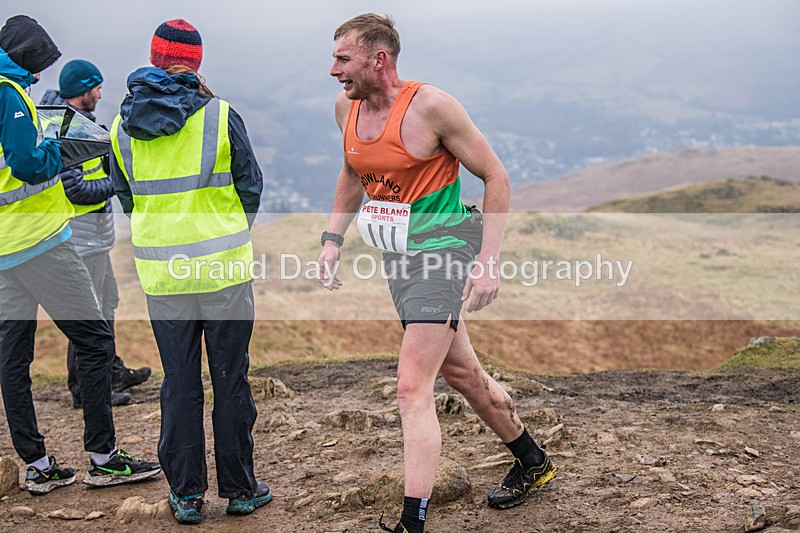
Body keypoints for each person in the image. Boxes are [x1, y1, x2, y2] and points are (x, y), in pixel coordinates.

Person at [318, 14, 556, 532]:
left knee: (411, 388)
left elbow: (496, 176)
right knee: (463, 374)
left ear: (377, 58)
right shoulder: (346, 108)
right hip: (399, 257)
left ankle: (413, 522)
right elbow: (351, 173)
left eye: (342, 58)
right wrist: (333, 239)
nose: (333, 69)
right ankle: (534, 462)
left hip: (444, 250)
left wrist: (489, 259)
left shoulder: (432, 107)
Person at [109, 19, 269, 525]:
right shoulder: (221, 115)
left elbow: (128, 199)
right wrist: (228, 232)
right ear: (195, 62)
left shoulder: (120, 127)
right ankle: (240, 489)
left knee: (180, 383)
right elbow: (251, 187)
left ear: (155, 59)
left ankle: (186, 495)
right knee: (230, 380)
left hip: (164, 278)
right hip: (223, 273)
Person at [0, 14, 161, 495]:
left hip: (4, 249)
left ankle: (36, 464)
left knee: (13, 360)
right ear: (28, 55)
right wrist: (54, 144)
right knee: (94, 341)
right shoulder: (8, 92)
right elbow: (30, 164)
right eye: (41, 63)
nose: (43, 75)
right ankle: (104, 457)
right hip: (40, 243)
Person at [39, 59, 152, 409]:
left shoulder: (82, 124)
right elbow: (75, 189)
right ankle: (86, 390)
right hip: (79, 239)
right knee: (87, 315)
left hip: (94, 239)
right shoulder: (65, 130)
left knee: (106, 305)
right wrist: (118, 184)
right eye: (97, 88)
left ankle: (111, 371)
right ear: (83, 91)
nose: (101, 94)